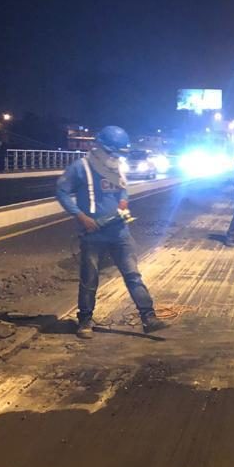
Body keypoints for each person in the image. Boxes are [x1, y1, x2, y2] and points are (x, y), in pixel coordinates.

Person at [55, 125, 168, 339]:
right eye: (112, 153)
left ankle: (149, 317)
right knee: (89, 279)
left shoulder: (116, 167)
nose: (114, 157)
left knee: (133, 275)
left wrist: (123, 201)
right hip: (93, 234)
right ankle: (85, 320)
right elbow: (61, 192)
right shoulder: (81, 167)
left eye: (117, 154)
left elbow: (123, 189)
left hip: (119, 233)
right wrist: (81, 217)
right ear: (100, 147)